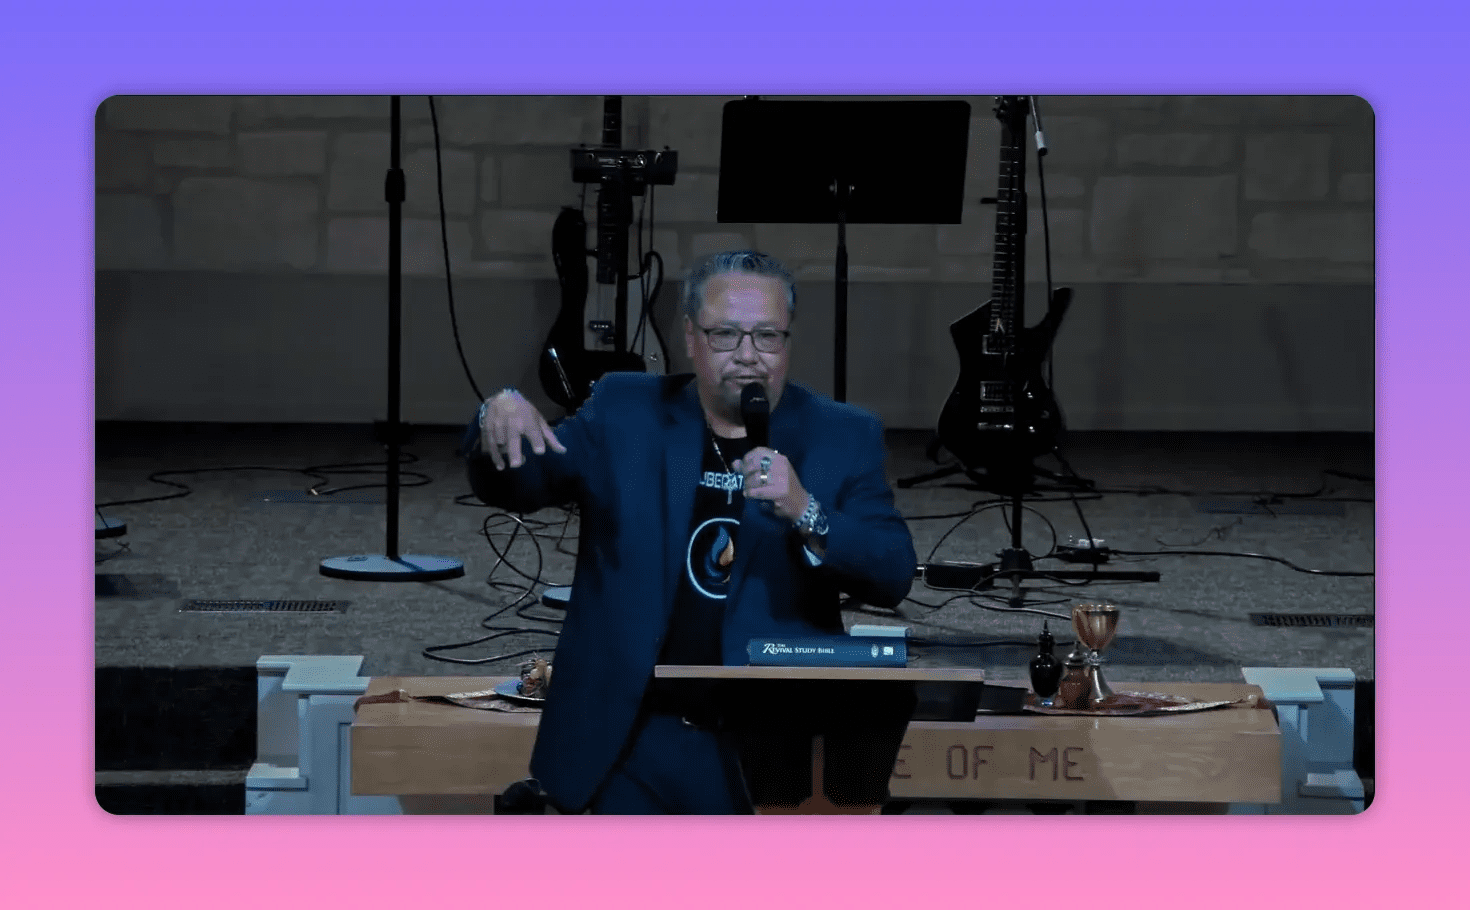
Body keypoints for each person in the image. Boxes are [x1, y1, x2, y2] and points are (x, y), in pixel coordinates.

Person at [463, 250, 917, 813]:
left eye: (768, 337)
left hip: (767, 746)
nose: (748, 357)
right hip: (629, 733)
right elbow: (523, 484)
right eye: (726, 335)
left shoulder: (841, 434)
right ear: (690, 338)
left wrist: (807, 510)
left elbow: (894, 571)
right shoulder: (626, 410)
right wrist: (496, 417)